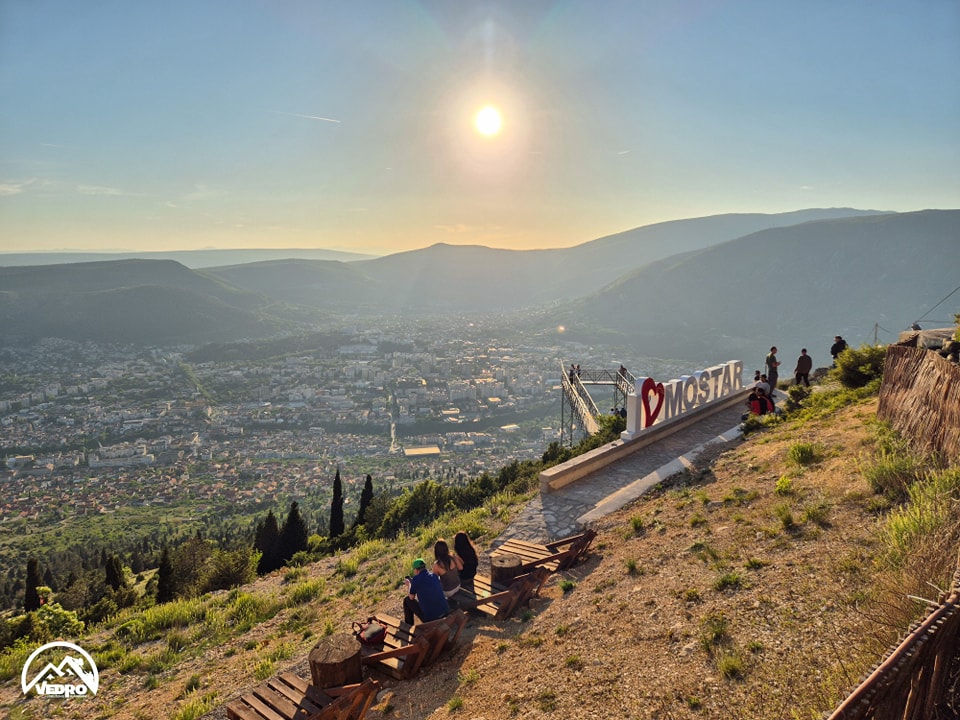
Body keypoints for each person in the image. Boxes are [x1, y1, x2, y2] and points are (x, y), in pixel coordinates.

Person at [403, 558, 448, 625]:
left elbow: (411, 597)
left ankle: (408, 625)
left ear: (416, 570)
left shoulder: (416, 580)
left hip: (431, 619)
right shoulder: (434, 576)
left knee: (407, 601)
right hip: (445, 612)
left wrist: (409, 585)